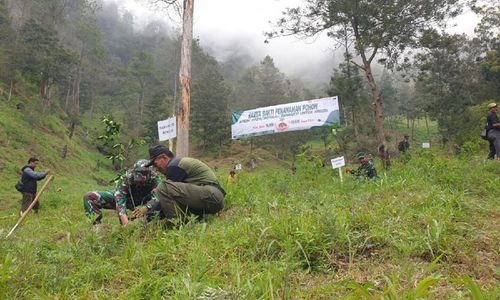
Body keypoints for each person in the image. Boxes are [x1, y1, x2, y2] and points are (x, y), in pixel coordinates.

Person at [134, 145, 225, 224]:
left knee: (163, 187)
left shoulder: (174, 166)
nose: (156, 168)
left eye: (155, 164)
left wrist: (145, 218)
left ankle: (178, 224)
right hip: (211, 197)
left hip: (212, 196)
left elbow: (162, 203)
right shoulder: (178, 163)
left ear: (164, 158)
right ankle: (191, 220)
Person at [83, 159, 162, 225]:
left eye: (142, 183)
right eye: (137, 182)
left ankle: (149, 223)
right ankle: (96, 227)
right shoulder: (126, 178)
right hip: (127, 200)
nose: (139, 185)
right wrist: (126, 225)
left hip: (145, 203)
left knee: (162, 202)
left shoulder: (155, 178)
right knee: (90, 197)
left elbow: (158, 197)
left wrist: (145, 208)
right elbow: (120, 201)